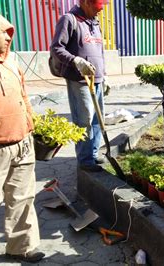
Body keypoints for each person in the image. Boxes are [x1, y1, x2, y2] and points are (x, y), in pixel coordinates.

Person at [0, 9, 45, 262]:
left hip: (22, 141)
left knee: (23, 197)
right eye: (3, 32)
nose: (9, 37)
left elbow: (22, 94)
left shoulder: (11, 61)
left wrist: (30, 123)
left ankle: (22, 246)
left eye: (10, 31)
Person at [50, 0, 107, 172]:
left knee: (98, 119)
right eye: (96, 8)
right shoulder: (69, 19)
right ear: (84, 3)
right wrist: (75, 60)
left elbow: (100, 52)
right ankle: (85, 159)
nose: (98, 12)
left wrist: (105, 76)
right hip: (79, 79)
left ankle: (94, 153)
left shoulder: (95, 22)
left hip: (97, 79)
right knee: (84, 120)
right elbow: (56, 48)